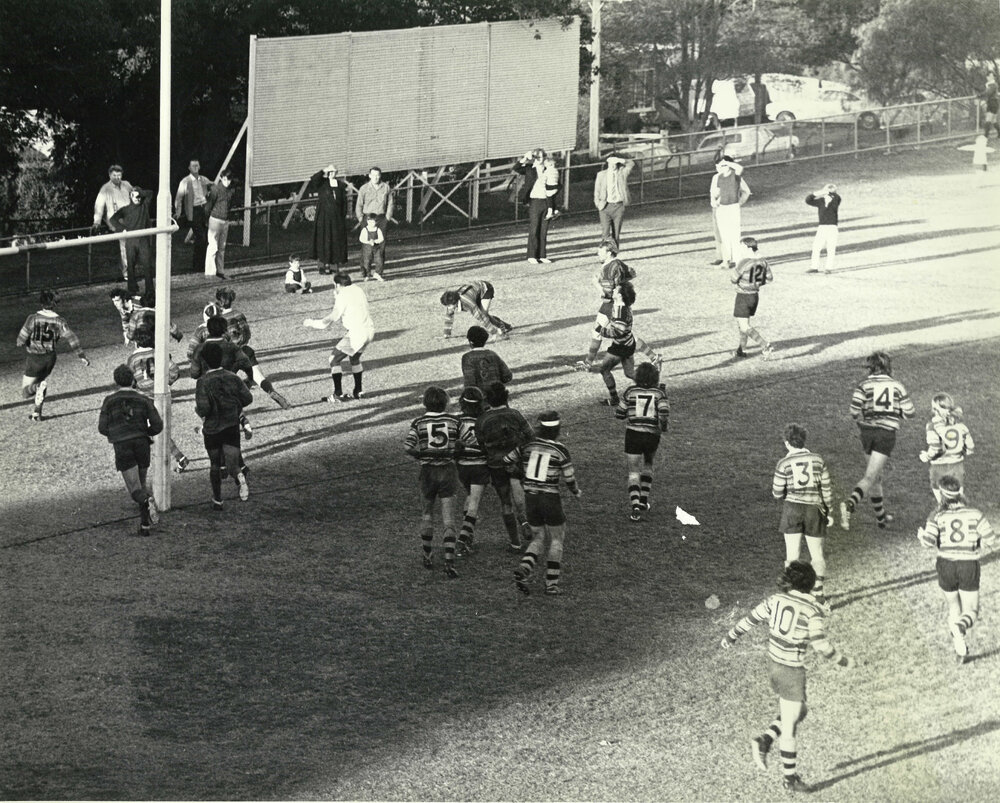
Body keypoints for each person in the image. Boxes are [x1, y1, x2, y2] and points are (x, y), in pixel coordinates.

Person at [721, 561, 853, 794]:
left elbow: (751, 619)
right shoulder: (812, 610)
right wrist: (843, 660)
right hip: (791, 671)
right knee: (790, 726)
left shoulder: (775, 600)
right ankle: (789, 779)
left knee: (801, 711)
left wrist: (731, 636)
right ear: (810, 584)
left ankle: (766, 740)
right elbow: (821, 646)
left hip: (774, 666)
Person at [917, 475, 996, 663]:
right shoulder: (975, 513)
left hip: (945, 565)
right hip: (968, 565)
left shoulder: (936, 515)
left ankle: (960, 649)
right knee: (971, 611)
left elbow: (928, 542)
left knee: (954, 606)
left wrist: (921, 536)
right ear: (960, 492)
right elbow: (991, 540)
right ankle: (960, 627)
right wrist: (977, 542)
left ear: (941, 495)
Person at [507, 411, 582, 596]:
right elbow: (569, 478)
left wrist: (519, 470)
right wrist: (576, 491)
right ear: (558, 429)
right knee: (557, 539)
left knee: (538, 538)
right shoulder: (560, 450)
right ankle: (551, 584)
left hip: (531, 498)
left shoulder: (527, 445)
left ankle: (525, 568)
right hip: (550, 499)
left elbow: (507, 460)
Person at [840, 351, 915, 531]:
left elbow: (854, 412)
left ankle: (881, 519)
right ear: (888, 366)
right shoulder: (896, 386)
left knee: (876, 477)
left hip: (867, 433)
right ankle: (849, 504)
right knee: (870, 477)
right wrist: (896, 413)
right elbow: (910, 412)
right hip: (885, 435)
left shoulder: (863, 385)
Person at [98, 364, 164, 536]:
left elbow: (102, 427)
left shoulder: (109, 401)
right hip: (142, 443)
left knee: (135, 490)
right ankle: (145, 526)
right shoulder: (144, 399)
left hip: (123, 445)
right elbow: (158, 425)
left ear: (116, 381)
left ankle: (148, 502)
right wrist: (145, 432)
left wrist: (116, 434)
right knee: (141, 483)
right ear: (133, 379)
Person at [772, 424, 834, 605]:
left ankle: (792, 595)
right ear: (804, 440)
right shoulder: (818, 460)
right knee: (817, 555)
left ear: (787, 443)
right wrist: (829, 510)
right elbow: (826, 489)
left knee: (792, 556)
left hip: (792, 509)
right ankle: (819, 596)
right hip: (814, 510)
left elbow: (776, 492)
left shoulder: (783, 463)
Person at [404, 385, 461, 578]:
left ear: (425, 403)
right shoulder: (454, 421)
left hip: (427, 472)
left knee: (427, 514)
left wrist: (419, 455)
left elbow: (408, 446)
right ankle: (449, 561)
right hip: (448, 471)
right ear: (445, 403)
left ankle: (427, 555)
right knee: (449, 518)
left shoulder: (418, 422)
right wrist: (456, 450)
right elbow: (467, 441)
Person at [127, 309, 190, 473]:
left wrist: (136, 387)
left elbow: (131, 380)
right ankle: (176, 456)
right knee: (156, 429)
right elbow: (175, 370)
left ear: (137, 342)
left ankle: (178, 457)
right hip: (162, 395)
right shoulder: (160, 354)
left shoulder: (133, 359)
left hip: (145, 399)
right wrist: (166, 383)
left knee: (153, 430)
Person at [578, 243, 658, 369]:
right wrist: (621, 284)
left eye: (601, 252)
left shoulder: (609, 269)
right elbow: (632, 273)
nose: (598, 254)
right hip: (616, 303)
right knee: (626, 335)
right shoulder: (618, 263)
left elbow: (608, 294)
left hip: (612, 304)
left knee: (602, 332)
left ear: (609, 253)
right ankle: (654, 357)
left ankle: (588, 363)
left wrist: (596, 284)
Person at [194, 341, 253, 510]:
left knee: (214, 464)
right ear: (221, 358)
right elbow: (248, 398)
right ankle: (240, 476)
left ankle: (218, 500)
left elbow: (204, 408)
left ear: (204, 361)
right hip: (231, 426)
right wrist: (234, 404)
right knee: (233, 464)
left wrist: (198, 411)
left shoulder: (202, 382)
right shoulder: (232, 377)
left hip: (212, 429)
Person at [476, 381, 534, 551]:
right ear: (506, 396)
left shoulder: (482, 420)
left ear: (487, 400)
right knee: (517, 486)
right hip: (516, 461)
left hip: (496, 464)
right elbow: (530, 436)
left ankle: (515, 543)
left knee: (505, 502)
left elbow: (481, 445)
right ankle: (524, 519)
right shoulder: (515, 414)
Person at [576, 283, 655, 407]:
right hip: (628, 344)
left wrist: (600, 329)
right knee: (629, 373)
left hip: (620, 347)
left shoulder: (620, 310)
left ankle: (614, 399)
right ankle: (651, 389)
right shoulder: (622, 306)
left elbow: (618, 331)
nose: (613, 290)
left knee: (604, 370)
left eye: (616, 290)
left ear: (620, 295)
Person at [213, 287, 293, 409]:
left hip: (228, 355)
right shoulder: (239, 314)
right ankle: (271, 391)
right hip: (245, 350)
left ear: (220, 301)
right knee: (258, 377)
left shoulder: (218, 319)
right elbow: (246, 333)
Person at [16, 289, 90, 421]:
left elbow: (20, 340)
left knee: (26, 392)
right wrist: (81, 356)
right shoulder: (60, 321)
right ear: (55, 303)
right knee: (41, 382)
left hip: (34, 358)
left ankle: (37, 390)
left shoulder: (33, 318)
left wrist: (25, 342)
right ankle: (37, 413)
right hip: (50, 358)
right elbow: (72, 338)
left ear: (41, 302)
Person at [304, 271, 375, 403]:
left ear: (337, 285)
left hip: (356, 333)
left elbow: (331, 318)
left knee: (333, 359)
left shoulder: (342, 295)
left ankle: (337, 394)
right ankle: (358, 391)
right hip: (369, 331)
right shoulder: (358, 289)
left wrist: (312, 323)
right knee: (354, 359)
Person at [615, 361, 669, 522]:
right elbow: (664, 413)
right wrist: (664, 426)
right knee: (648, 464)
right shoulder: (659, 393)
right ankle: (644, 500)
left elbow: (619, 413)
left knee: (633, 471)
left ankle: (635, 505)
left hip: (633, 435)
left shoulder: (630, 391)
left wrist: (626, 413)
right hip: (652, 435)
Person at [919, 393, 975, 504]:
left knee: (942, 503)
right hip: (957, 465)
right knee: (958, 500)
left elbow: (935, 448)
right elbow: (970, 448)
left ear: (935, 408)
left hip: (939, 466)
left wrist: (926, 457)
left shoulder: (932, 425)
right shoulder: (959, 424)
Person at [455, 386, 489, 556]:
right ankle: (463, 538)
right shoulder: (484, 420)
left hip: (462, 466)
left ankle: (469, 536)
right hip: (480, 465)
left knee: (469, 497)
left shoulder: (457, 420)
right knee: (474, 502)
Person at [731, 236, 775, 359]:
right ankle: (741, 350)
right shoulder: (763, 261)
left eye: (742, 247)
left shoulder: (744, 262)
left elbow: (733, 279)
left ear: (748, 248)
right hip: (754, 296)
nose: (740, 250)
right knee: (743, 323)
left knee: (744, 326)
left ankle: (765, 345)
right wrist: (756, 284)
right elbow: (769, 278)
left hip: (743, 296)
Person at [108, 185, 155, 296]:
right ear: (130, 197)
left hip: (143, 240)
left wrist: (138, 192)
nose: (137, 199)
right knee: (131, 266)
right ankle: (132, 289)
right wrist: (122, 228)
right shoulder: (126, 209)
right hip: (131, 240)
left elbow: (150, 192)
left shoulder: (144, 206)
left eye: (139, 197)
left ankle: (150, 291)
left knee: (147, 265)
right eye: (134, 196)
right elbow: (113, 219)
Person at [92, 164, 134, 281]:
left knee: (133, 244)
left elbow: (135, 197)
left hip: (129, 219)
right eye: (114, 175)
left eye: (119, 175)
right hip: (116, 221)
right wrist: (97, 221)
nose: (117, 178)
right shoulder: (105, 189)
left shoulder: (127, 185)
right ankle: (127, 273)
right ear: (110, 175)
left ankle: (131, 270)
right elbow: (99, 206)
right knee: (124, 246)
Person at [710, 156, 751, 268]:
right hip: (722, 208)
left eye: (723, 166)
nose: (720, 168)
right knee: (724, 236)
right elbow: (717, 193)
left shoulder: (735, 175)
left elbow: (740, 168)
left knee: (734, 235)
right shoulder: (719, 177)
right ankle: (726, 261)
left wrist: (727, 162)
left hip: (733, 207)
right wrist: (714, 201)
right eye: (719, 166)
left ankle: (738, 261)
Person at [307, 164, 349, 274]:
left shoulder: (340, 185)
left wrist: (342, 216)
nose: (331, 174)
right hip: (323, 218)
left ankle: (333, 266)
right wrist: (324, 170)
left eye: (333, 172)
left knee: (335, 241)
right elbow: (313, 179)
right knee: (322, 241)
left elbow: (343, 202)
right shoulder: (322, 183)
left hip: (336, 219)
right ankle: (321, 266)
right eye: (330, 172)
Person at [441, 279, 513, 341]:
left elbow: (481, 317)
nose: (448, 307)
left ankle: (500, 327)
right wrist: (446, 333)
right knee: (484, 314)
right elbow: (449, 315)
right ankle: (505, 326)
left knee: (484, 313)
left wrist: (493, 332)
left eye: (449, 305)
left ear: (455, 302)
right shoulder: (452, 301)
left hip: (486, 289)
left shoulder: (467, 302)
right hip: (476, 293)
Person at [173, 159, 212, 273]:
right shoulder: (185, 182)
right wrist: (178, 211)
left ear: (199, 167)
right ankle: (197, 265)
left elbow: (213, 187)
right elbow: (179, 198)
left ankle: (203, 264)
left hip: (204, 209)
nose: (195, 167)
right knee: (200, 237)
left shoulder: (204, 179)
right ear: (189, 168)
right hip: (193, 211)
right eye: (193, 166)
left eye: (197, 165)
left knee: (205, 237)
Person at [515, 149, 553, 264]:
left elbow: (554, 188)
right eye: (538, 157)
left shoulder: (548, 169)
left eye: (542, 156)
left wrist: (552, 207)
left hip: (546, 201)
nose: (540, 159)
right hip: (535, 202)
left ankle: (542, 255)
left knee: (543, 230)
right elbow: (516, 168)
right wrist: (525, 158)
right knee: (534, 228)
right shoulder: (529, 169)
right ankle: (531, 255)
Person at [593, 155, 634, 251]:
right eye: (610, 163)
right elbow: (597, 191)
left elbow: (631, 164)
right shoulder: (601, 175)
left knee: (616, 232)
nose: (612, 166)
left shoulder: (622, 173)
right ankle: (605, 252)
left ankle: (614, 253)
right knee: (605, 232)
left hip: (618, 206)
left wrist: (621, 160)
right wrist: (598, 204)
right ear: (607, 164)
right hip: (605, 206)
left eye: (614, 164)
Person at [354, 166, 395, 250]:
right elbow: (359, 204)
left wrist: (387, 217)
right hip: (367, 218)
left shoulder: (386, 187)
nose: (375, 177)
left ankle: (380, 259)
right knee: (366, 244)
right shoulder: (364, 188)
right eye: (373, 175)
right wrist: (361, 218)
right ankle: (366, 259)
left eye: (377, 175)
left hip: (381, 218)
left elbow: (390, 203)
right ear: (369, 175)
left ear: (380, 175)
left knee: (381, 243)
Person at [462, 325, 512, 392]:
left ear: (470, 342)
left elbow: (470, 382)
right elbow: (507, 375)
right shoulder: (492, 354)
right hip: (497, 395)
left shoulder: (467, 357)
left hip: (480, 396)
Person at [204, 169, 235, 277]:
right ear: (221, 178)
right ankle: (210, 272)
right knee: (213, 246)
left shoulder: (231, 191)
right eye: (225, 179)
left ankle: (220, 271)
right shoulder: (215, 189)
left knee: (222, 247)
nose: (228, 182)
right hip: (215, 220)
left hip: (225, 221)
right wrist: (207, 220)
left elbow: (229, 206)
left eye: (229, 179)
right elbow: (208, 206)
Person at [805, 183, 841, 274]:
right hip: (822, 227)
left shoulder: (836, 199)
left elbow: (837, 198)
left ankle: (828, 268)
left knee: (830, 247)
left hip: (832, 227)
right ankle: (814, 267)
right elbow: (808, 200)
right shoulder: (821, 201)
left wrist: (830, 193)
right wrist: (819, 193)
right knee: (816, 247)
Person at [359, 213, 386, 282]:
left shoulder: (378, 230)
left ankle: (378, 273)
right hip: (367, 248)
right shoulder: (365, 230)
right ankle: (367, 275)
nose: (371, 224)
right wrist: (368, 241)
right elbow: (361, 239)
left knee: (379, 260)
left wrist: (375, 241)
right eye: (370, 222)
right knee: (366, 261)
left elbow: (381, 238)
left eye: (373, 222)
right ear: (367, 221)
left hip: (376, 248)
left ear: (376, 222)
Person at [542, 154, 561, 219]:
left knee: (549, 200)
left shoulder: (547, 171)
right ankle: (556, 211)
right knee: (553, 199)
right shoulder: (555, 170)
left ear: (550, 164)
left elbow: (544, 178)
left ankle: (549, 213)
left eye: (545, 163)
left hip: (550, 187)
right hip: (556, 187)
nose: (544, 164)